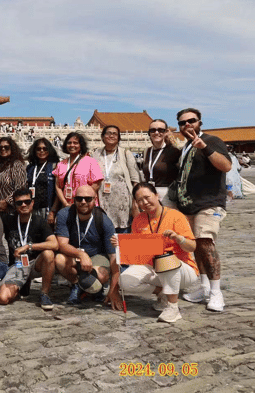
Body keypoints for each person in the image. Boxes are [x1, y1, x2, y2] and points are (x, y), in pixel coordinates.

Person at [174, 108, 231, 312]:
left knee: (206, 243)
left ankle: (216, 292)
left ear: (200, 122)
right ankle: (204, 286)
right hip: (189, 205)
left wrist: (204, 147)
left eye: (191, 121)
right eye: (182, 123)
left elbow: (226, 166)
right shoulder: (185, 147)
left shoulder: (212, 140)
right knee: (196, 245)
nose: (187, 125)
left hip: (209, 203)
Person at [117, 183, 198, 322]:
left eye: (147, 197)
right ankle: (162, 293)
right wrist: (122, 245)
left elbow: (192, 247)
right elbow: (137, 253)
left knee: (165, 259)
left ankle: (173, 307)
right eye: (140, 200)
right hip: (153, 268)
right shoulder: (138, 220)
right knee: (125, 281)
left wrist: (179, 239)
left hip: (183, 270)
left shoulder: (175, 216)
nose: (145, 202)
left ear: (156, 195)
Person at [54, 185, 120, 306]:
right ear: (74, 200)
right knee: (59, 260)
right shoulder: (64, 214)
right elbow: (62, 245)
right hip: (74, 255)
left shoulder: (104, 221)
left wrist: (114, 291)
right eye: (79, 199)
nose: (83, 202)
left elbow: (113, 257)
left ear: (95, 200)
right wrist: (81, 254)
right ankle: (76, 285)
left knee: (102, 275)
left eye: (88, 199)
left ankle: (95, 287)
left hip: (97, 256)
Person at [0, 188, 59, 310]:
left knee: (49, 254)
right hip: (18, 265)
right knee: (2, 299)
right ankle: (21, 286)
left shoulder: (39, 221)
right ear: (15, 205)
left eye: (27, 201)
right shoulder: (8, 220)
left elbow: (54, 244)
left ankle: (44, 294)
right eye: (19, 203)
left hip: (35, 264)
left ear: (32, 203)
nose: (23, 205)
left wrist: (28, 246)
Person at [92, 126, 141, 232]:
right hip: (102, 199)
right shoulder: (96, 154)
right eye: (108, 133)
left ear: (119, 138)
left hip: (122, 202)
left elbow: (135, 179)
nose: (111, 136)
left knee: (122, 233)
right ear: (103, 137)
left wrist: (135, 201)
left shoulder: (125, 153)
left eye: (115, 134)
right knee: (103, 230)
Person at [52, 132, 104, 209]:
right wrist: (65, 204)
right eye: (69, 143)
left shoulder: (90, 161)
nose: (72, 145)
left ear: (81, 145)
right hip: (67, 205)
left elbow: (96, 183)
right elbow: (58, 186)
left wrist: (82, 199)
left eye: (75, 143)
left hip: (85, 204)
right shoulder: (61, 164)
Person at [0, 137, 27, 214]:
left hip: (9, 210)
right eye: (0, 147)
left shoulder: (17, 165)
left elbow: (21, 188)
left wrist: (7, 202)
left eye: (6, 147)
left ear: (12, 149)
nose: (3, 149)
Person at [142, 119, 181, 202]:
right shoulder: (147, 151)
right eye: (153, 130)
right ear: (149, 133)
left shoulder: (174, 151)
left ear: (166, 132)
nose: (156, 133)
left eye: (160, 130)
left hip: (167, 196)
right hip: (149, 193)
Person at [26, 137, 60, 225]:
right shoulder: (30, 167)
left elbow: (58, 191)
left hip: (47, 208)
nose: (42, 151)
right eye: (38, 149)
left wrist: (52, 211)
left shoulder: (54, 166)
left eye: (45, 149)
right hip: (32, 208)